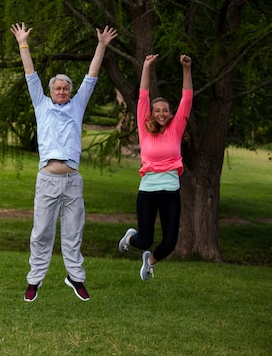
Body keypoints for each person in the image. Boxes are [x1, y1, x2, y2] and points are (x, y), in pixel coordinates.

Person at [10, 22, 118, 302]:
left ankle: (75, 277)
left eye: (65, 88)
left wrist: (101, 45)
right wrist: (23, 43)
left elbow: (91, 75)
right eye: (57, 88)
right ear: (50, 91)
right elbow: (30, 74)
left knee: (73, 232)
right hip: (47, 179)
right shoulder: (41, 104)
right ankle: (34, 280)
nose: (61, 91)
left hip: (72, 181)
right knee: (42, 232)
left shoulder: (77, 104)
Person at [118, 54, 193, 281]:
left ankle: (150, 263)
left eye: (165, 110)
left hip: (171, 191)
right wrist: (146, 66)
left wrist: (186, 69)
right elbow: (143, 95)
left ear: (170, 114)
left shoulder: (176, 128)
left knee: (169, 243)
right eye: (157, 110)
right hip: (148, 191)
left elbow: (187, 97)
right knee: (144, 240)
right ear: (151, 113)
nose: (161, 113)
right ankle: (129, 240)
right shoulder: (144, 127)